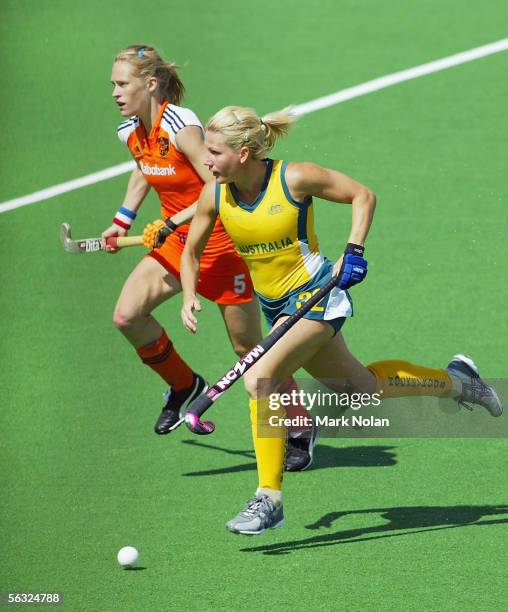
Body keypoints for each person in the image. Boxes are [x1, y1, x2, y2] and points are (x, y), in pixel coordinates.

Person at [173, 105, 502, 535]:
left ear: (246, 152)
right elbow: (191, 252)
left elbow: (362, 195)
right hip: (277, 307)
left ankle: (268, 498)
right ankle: (460, 382)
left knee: (261, 379)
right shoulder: (214, 194)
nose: (207, 160)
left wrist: (354, 250)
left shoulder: (294, 178)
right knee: (364, 388)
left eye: (215, 152)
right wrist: (188, 294)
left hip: (316, 297)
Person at [104, 46, 315, 469]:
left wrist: (169, 223)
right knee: (128, 315)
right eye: (113, 83)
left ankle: (299, 424)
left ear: (150, 85)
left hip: (219, 248)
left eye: (123, 83)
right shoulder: (131, 131)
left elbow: (215, 188)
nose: (115, 92)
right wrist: (122, 219)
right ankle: (184, 386)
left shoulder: (182, 126)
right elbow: (145, 168)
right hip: (175, 243)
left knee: (249, 350)